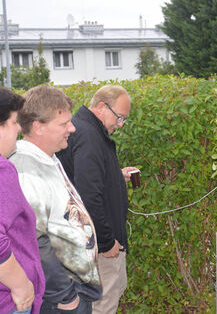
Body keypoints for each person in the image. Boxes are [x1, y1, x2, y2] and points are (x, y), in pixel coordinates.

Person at [9, 86, 102, 314]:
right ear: (38, 127)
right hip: (60, 300)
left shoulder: (49, 158)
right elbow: (33, 238)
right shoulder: (25, 169)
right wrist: (64, 296)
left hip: (73, 291)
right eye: (63, 124)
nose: (72, 128)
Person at [57, 85, 138, 314]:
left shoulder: (85, 129)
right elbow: (88, 195)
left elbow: (85, 178)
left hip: (93, 241)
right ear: (102, 107)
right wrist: (105, 241)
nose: (120, 125)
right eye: (119, 117)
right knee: (103, 305)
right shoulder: (90, 136)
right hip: (99, 245)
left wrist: (116, 175)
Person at [0, 87, 45, 314]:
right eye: (14, 121)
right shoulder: (2, 171)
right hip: (9, 301)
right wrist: (21, 285)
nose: (19, 128)